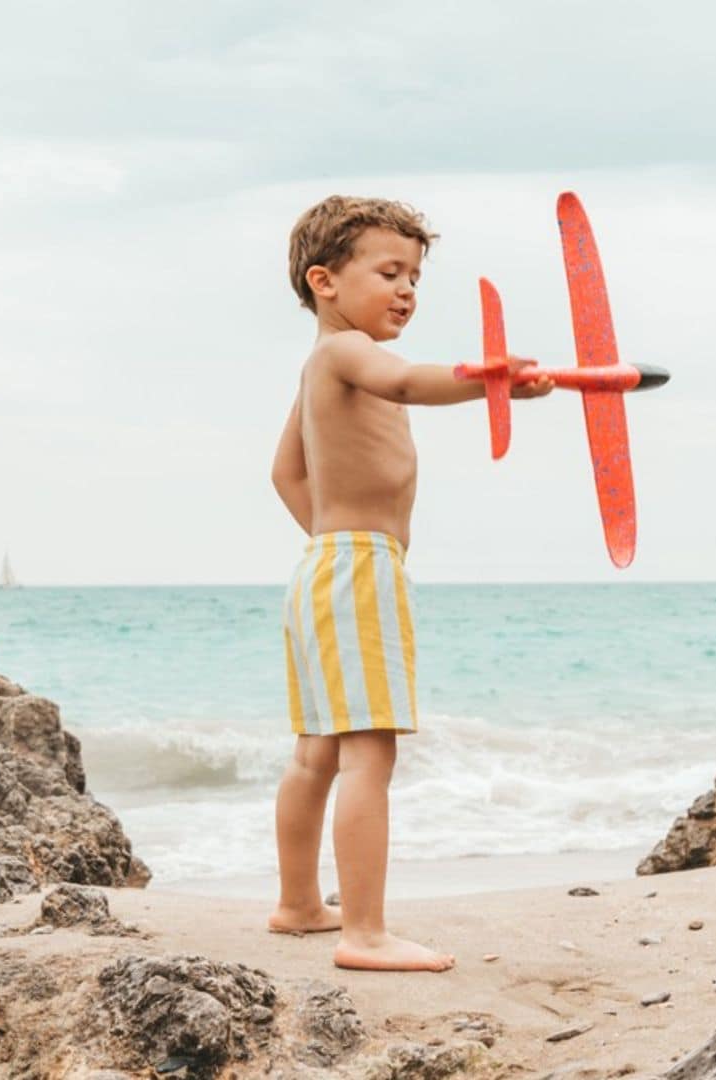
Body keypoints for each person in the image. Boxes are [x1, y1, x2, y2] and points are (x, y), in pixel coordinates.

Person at [267, 195, 552, 971]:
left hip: (326, 566)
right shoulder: (347, 354)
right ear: (324, 281)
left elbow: (283, 471)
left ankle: (298, 904)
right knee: (369, 754)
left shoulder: (319, 368)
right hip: (356, 568)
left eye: (415, 277)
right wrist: (486, 379)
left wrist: (330, 542)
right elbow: (405, 384)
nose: (407, 290)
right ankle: (363, 933)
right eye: (389, 272)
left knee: (315, 754)